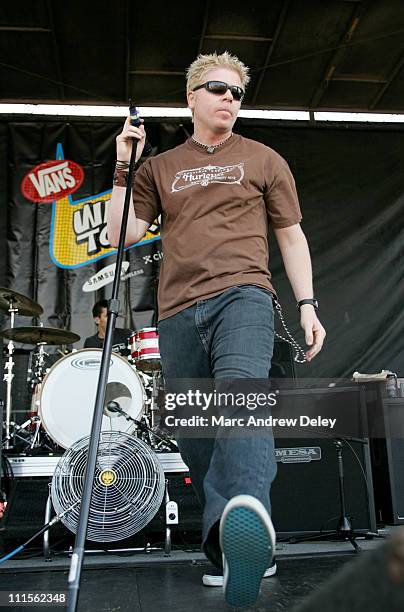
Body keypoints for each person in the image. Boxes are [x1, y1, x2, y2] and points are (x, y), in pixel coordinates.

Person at [107, 51, 326, 607]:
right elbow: (119, 234)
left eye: (237, 92)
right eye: (218, 89)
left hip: (244, 298)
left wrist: (307, 304)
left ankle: (249, 510)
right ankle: (230, 549)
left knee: (241, 400)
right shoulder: (159, 168)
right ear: (192, 97)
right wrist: (122, 165)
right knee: (197, 436)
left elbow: (292, 236)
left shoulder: (263, 159)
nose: (229, 98)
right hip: (179, 311)